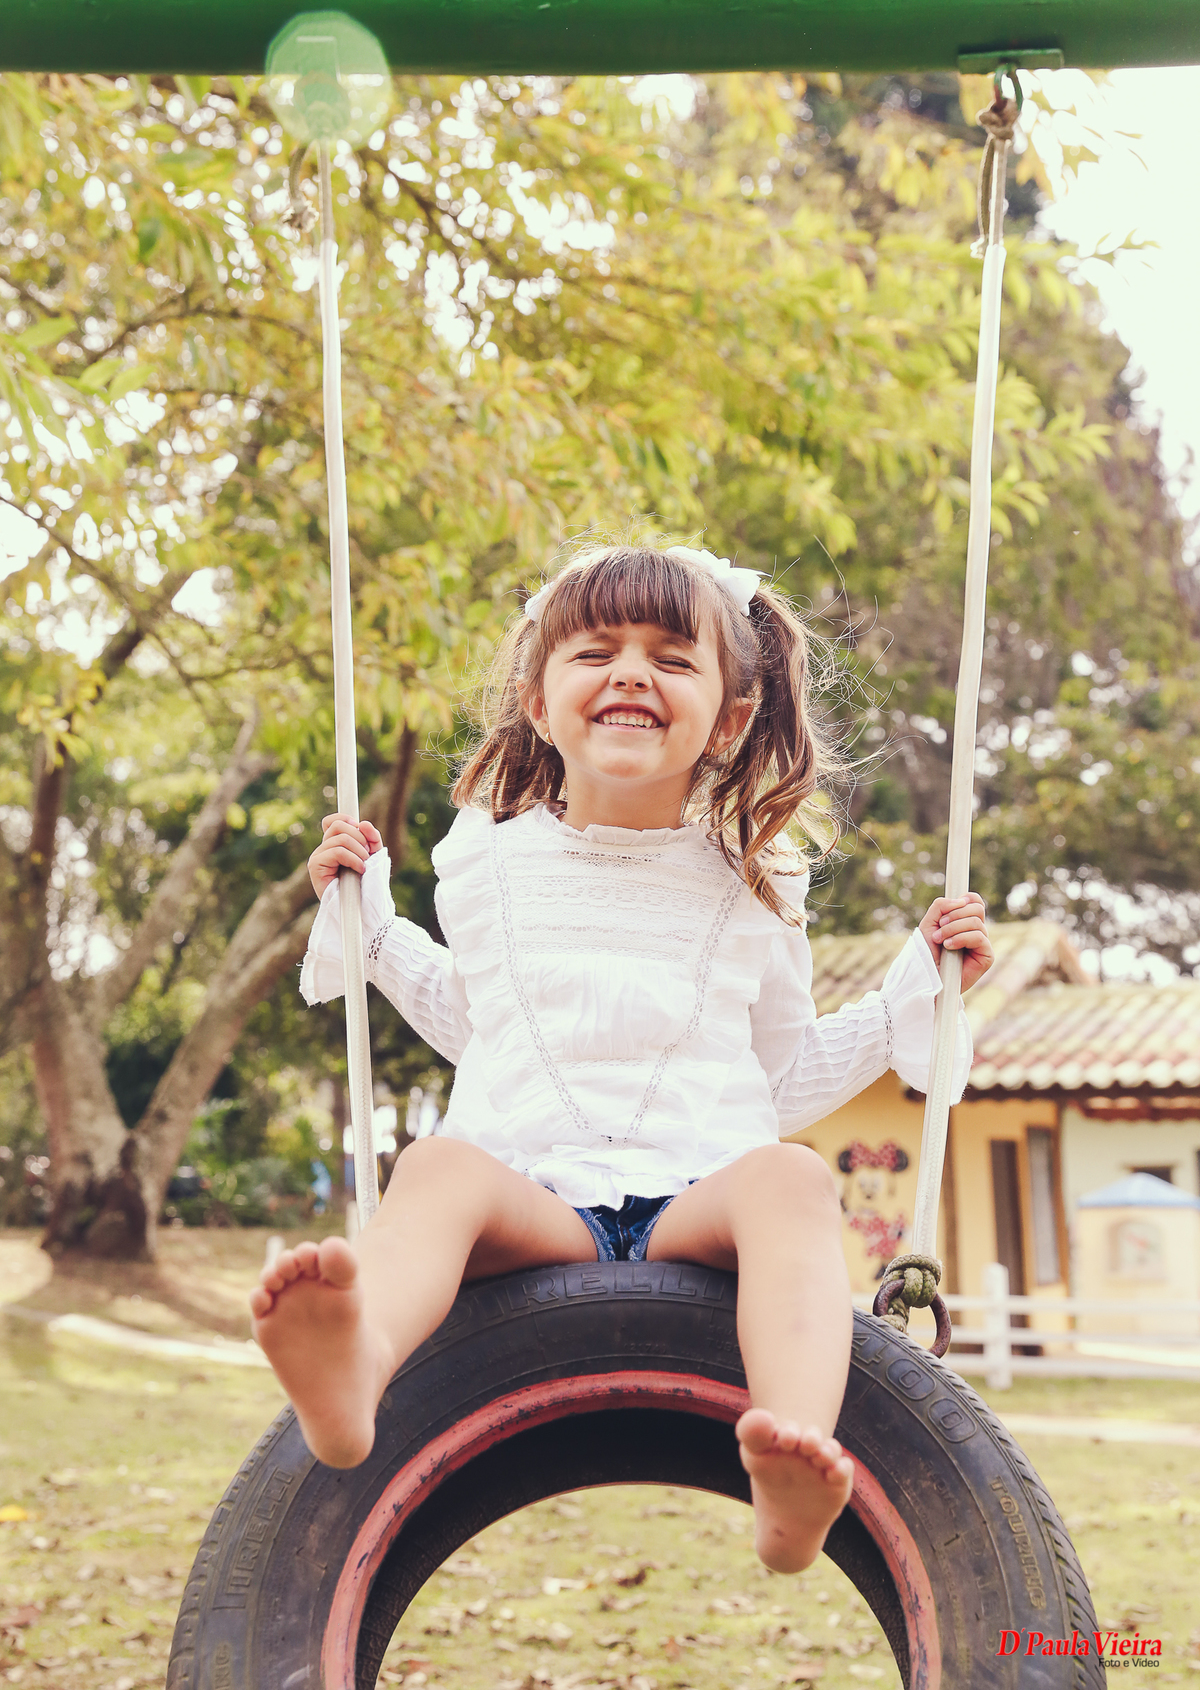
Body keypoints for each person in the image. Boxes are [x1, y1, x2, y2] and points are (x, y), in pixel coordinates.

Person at [250, 543, 992, 1574]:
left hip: (693, 1203)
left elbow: (777, 1080)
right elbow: (486, 1024)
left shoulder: (757, 882)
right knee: (435, 1167)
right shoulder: (486, 861)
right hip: (537, 1202)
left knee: (790, 1175)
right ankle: (354, 1370)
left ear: (729, 716)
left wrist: (909, 993)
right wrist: (372, 932)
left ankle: (793, 1458)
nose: (633, 672)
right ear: (538, 701)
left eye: (673, 658)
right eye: (596, 649)